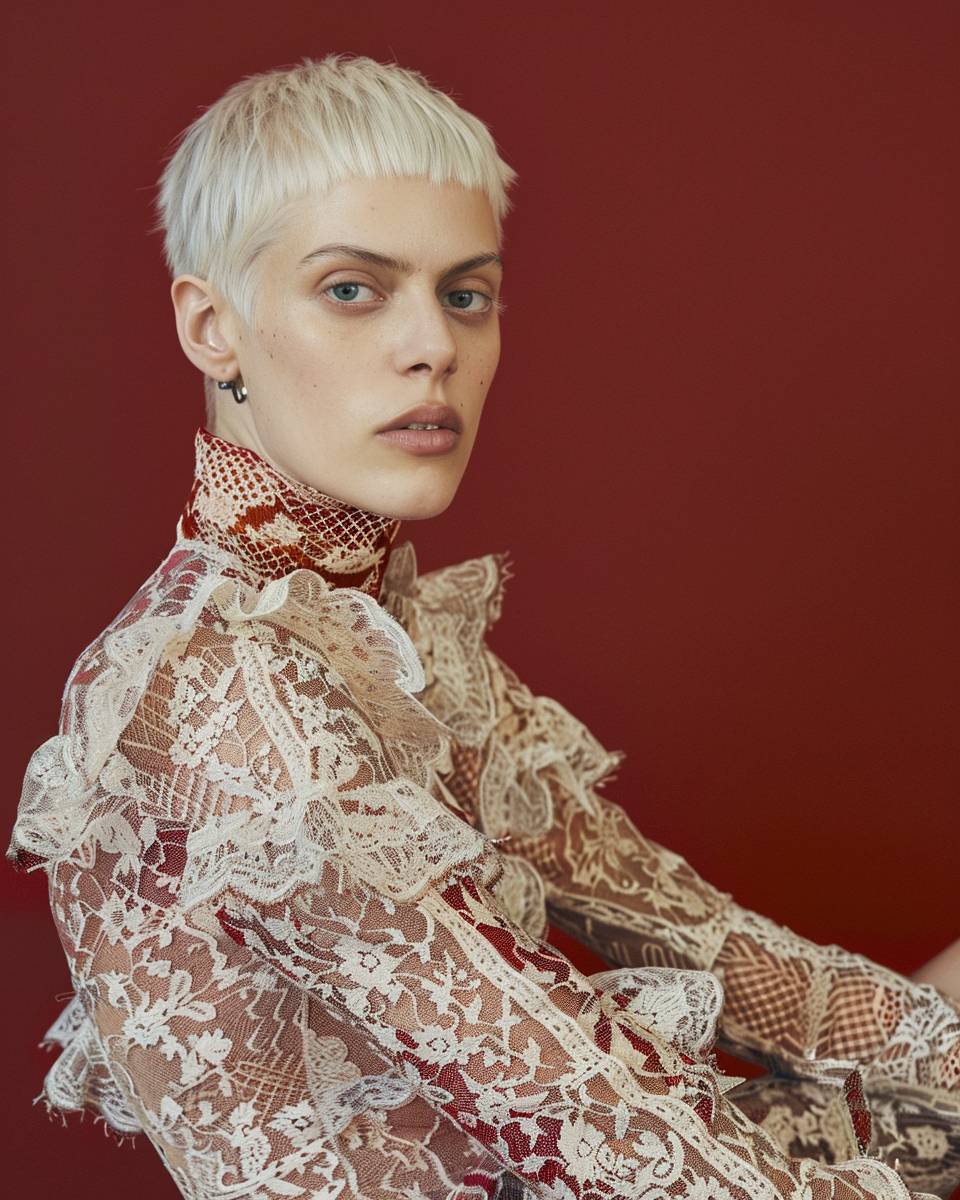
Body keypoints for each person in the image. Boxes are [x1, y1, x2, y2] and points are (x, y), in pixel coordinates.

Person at [8, 54, 959, 1200]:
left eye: (466, 293)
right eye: (353, 289)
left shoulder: (381, 640)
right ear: (213, 326)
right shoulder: (220, 692)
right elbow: (610, 1133)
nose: (436, 349)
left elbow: (726, 955)